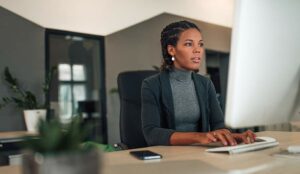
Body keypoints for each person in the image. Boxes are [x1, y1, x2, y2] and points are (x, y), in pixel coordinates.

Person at [141, 20, 256, 146]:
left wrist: (233, 136)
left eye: (200, 44)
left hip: (200, 153)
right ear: (172, 50)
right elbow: (152, 134)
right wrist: (198, 137)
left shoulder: (205, 84)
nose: (198, 50)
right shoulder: (151, 85)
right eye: (189, 44)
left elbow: (218, 125)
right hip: (169, 157)